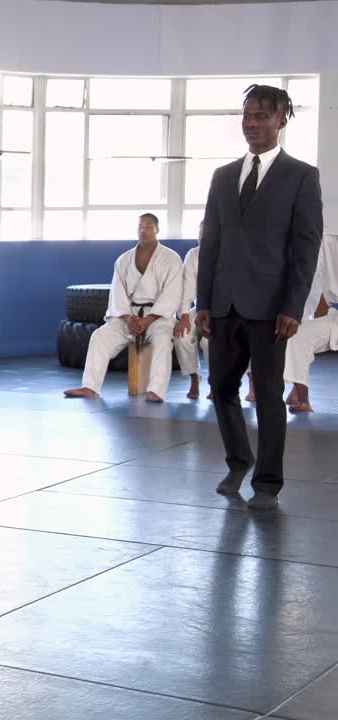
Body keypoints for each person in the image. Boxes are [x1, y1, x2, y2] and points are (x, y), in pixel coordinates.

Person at [197, 84, 324, 510]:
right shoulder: (222, 176)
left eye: (262, 115)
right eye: (247, 115)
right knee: (221, 387)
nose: (252, 123)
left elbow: (306, 247)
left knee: (269, 395)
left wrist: (294, 307)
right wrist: (204, 303)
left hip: (272, 308)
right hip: (225, 301)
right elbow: (210, 243)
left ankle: (268, 483)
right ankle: (238, 460)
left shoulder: (302, 176)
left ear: (281, 120)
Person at [64, 213, 183, 403]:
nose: (144, 230)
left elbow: (172, 294)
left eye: (149, 226)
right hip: (129, 316)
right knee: (100, 336)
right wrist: (128, 318)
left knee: (163, 341)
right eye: (141, 227)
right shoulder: (123, 260)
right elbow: (117, 294)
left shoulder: (171, 259)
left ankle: (157, 390)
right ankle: (90, 387)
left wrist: (147, 320)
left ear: (157, 230)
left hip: (157, 317)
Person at [283, 232, 338, 413]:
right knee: (298, 336)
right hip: (334, 316)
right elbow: (309, 280)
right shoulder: (325, 241)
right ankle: (302, 398)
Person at [174, 222, 211, 400]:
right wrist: (185, 317)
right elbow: (186, 290)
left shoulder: (230, 253)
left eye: (206, 232)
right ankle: (194, 377)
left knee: (210, 342)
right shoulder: (193, 255)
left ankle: (216, 383)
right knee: (183, 336)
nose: (202, 236)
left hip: (224, 313)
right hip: (200, 310)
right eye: (200, 232)